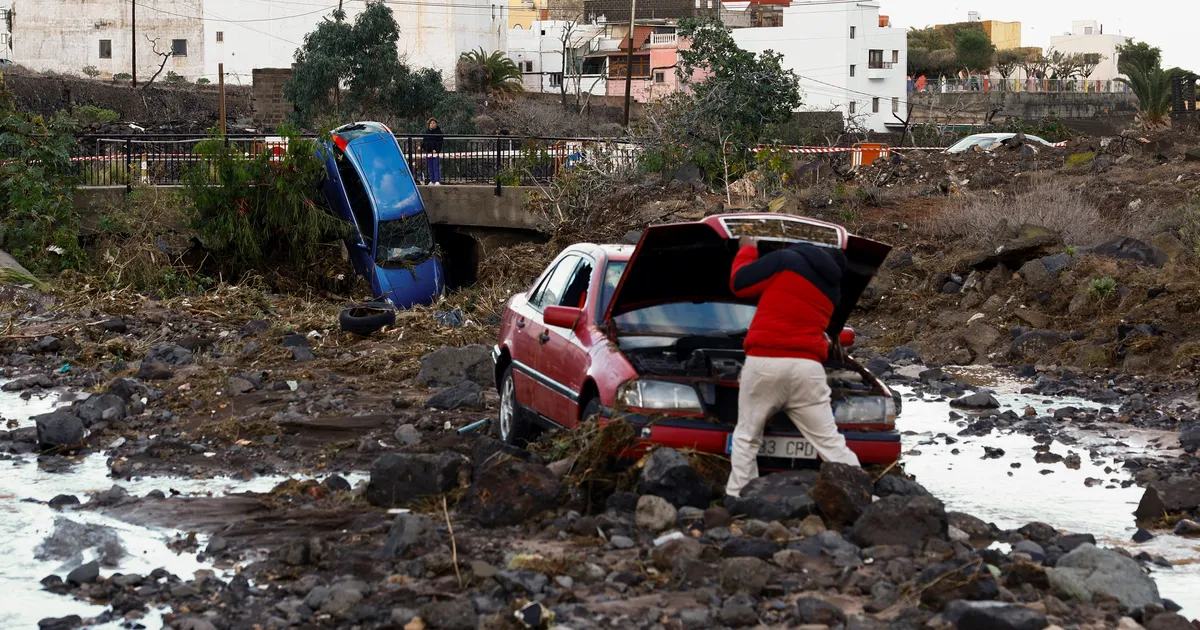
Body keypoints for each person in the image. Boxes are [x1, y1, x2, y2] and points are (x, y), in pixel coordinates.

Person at [725, 237, 861, 500]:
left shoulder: (786, 260)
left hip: (766, 361)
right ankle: (860, 494)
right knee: (830, 442)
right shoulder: (833, 289)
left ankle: (739, 496)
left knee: (747, 435)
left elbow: (739, 283)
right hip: (807, 368)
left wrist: (748, 248)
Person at [420, 117, 444, 185]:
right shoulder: (427, 131)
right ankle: (432, 180)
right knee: (430, 167)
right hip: (428, 151)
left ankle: (437, 180)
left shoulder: (438, 132)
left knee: (435, 166)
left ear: (436, 124)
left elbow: (440, 142)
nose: (432, 124)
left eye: (433, 123)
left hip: (435, 152)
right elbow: (424, 140)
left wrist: (436, 150)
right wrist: (422, 147)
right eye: (431, 123)